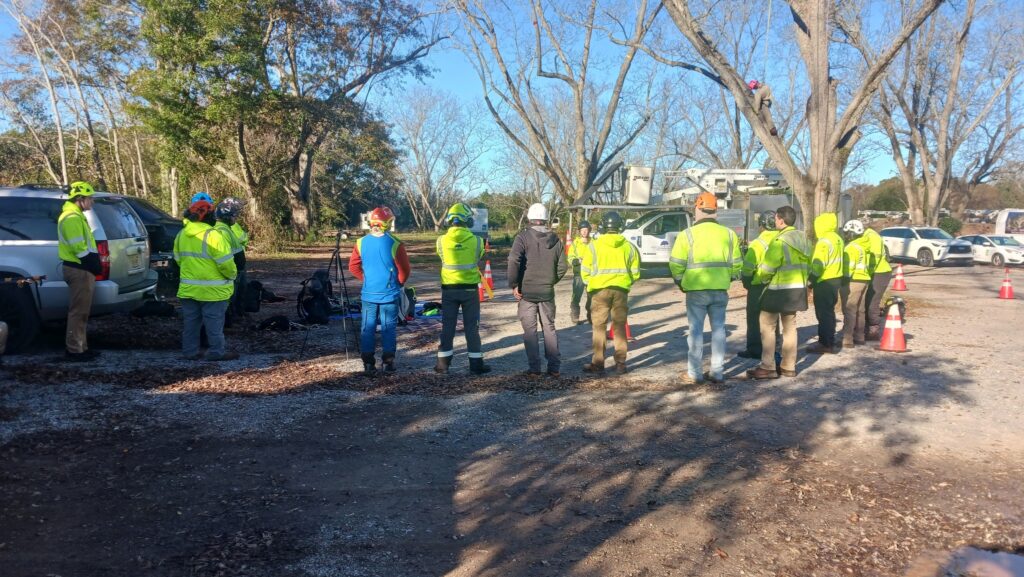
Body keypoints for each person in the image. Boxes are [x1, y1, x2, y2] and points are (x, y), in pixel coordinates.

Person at [670, 192, 741, 384]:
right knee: (719, 330)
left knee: (695, 331)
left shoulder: (687, 235)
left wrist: (680, 282)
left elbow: (676, 264)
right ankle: (717, 372)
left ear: (697, 209)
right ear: (715, 210)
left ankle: (695, 373)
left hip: (695, 290)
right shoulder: (729, 234)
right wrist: (728, 278)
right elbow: (737, 265)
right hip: (720, 290)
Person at [747, 206, 811, 380]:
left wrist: (757, 281)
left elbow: (767, 268)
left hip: (778, 291)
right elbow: (810, 264)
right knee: (790, 327)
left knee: (767, 325)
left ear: (781, 220)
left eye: (776, 218)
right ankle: (788, 366)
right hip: (797, 289)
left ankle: (768, 367)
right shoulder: (804, 239)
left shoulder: (779, 241)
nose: (775, 221)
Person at [174, 198, 238, 361]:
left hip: (188, 289)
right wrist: (232, 276)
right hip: (213, 291)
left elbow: (178, 260)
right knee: (214, 325)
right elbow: (226, 264)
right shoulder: (214, 236)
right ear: (209, 217)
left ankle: (190, 352)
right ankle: (217, 352)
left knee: (190, 324)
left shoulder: (181, 235)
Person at [508, 203, 568, 377]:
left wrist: (514, 284)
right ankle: (554, 368)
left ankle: (535, 369)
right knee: (549, 328)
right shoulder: (556, 240)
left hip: (526, 292)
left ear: (529, 218)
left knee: (530, 332)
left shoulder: (522, 237)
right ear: (546, 218)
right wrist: (550, 281)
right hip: (546, 292)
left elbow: (513, 260)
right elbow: (563, 266)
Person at [349, 206, 411, 375]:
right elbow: (404, 270)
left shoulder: (360, 242)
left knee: (367, 327)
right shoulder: (395, 243)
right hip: (389, 293)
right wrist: (398, 283)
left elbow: (353, 267)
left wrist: (367, 279)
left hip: (368, 294)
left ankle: (368, 363)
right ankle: (388, 363)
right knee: (388, 327)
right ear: (388, 223)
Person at [579, 211, 640, 375]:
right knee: (619, 326)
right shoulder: (629, 247)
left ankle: (598, 363)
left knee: (599, 327)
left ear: (603, 226)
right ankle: (621, 363)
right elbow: (635, 273)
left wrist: (591, 284)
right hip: (621, 291)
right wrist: (626, 282)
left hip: (599, 291)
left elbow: (585, 271)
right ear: (620, 226)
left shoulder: (594, 246)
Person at [435, 202, 490, 375]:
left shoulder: (440, 241)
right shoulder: (478, 241)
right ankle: (476, 365)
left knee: (448, 326)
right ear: (468, 220)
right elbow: (479, 256)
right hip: (470, 290)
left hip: (449, 290)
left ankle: (442, 365)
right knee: (472, 328)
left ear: (450, 220)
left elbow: (441, 257)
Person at [57, 181, 103, 362]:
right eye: (90, 198)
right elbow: (78, 247)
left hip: (82, 268)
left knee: (83, 311)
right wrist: (92, 263)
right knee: (78, 311)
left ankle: (81, 347)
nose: (92, 202)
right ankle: (75, 350)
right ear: (80, 199)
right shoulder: (71, 218)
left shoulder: (76, 216)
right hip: (78, 268)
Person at [738, 210, 779, 359]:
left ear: (762, 225)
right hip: (778, 285)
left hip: (758, 285)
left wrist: (747, 282)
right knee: (773, 318)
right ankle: (773, 347)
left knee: (754, 318)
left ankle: (755, 349)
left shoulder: (758, 243)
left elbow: (748, 267)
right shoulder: (781, 240)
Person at [806, 212, 844, 354]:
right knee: (829, 311)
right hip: (835, 279)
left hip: (824, 281)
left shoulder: (824, 242)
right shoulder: (837, 239)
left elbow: (818, 266)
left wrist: (810, 282)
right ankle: (830, 339)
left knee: (823, 314)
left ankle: (825, 343)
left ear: (821, 225)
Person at [214, 197, 248, 321]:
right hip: (229, 270)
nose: (236, 218)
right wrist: (234, 271)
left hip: (229, 269)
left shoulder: (222, 228)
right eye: (234, 215)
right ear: (227, 217)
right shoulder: (224, 231)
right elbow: (235, 254)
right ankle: (228, 319)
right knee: (229, 297)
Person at [840, 220, 870, 349]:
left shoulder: (851, 248)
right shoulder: (863, 247)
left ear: (851, 234)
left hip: (853, 280)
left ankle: (847, 339)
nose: (845, 235)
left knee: (850, 310)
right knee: (860, 310)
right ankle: (859, 336)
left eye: (846, 233)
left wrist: (843, 280)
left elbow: (849, 267)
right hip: (864, 280)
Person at [860, 226, 893, 340]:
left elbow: (874, 258)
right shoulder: (867, 236)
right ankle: (867, 327)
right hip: (875, 272)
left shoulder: (872, 237)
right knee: (867, 300)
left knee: (872, 301)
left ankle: (873, 329)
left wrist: (866, 273)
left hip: (880, 272)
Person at [568, 219, 594, 325]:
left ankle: (591, 316)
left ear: (589, 230)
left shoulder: (594, 243)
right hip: (579, 274)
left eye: (586, 230)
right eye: (582, 230)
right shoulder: (575, 243)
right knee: (576, 296)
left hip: (591, 274)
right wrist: (576, 261)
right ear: (579, 231)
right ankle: (575, 315)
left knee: (591, 297)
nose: (584, 232)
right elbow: (570, 257)